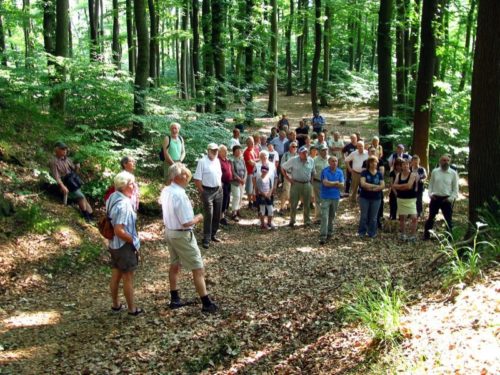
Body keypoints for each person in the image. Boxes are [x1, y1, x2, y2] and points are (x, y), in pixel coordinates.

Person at [160, 163, 218, 314]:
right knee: (198, 267)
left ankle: (175, 298)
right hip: (181, 234)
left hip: (170, 232)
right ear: (179, 177)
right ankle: (206, 303)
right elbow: (186, 221)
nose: (187, 178)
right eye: (186, 175)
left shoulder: (166, 190)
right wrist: (199, 217)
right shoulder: (179, 194)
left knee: (174, 265)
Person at [107, 171, 143, 316]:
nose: (134, 186)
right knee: (127, 276)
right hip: (123, 245)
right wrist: (134, 241)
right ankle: (131, 309)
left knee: (116, 273)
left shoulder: (112, 197)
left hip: (113, 244)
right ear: (124, 186)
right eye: (131, 183)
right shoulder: (124, 205)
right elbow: (119, 230)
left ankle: (116, 304)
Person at [49, 141, 94, 222]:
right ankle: (86, 216)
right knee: (80, 196)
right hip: (66, 182)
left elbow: (74, 171)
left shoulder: (67, 160)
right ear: (56, 150)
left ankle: (91, 217)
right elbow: (57, 177)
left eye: (65, 149)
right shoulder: (54, 162)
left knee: (83, 197)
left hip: (73, 180)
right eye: (62, 149)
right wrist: (62, 186)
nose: (65, 151)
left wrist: (77, 167)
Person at [193, 143, 223, 249]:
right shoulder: (202, 161)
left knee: (217, 213)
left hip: (218, 190)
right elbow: (197, 179)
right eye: (213, 150)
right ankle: (206, 238)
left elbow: (219, 175)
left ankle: (213, 234)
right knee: (208, 214)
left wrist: (220, 187)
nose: (215, 152)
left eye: (216, 150)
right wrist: (202, 191)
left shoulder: (218, 161)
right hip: (207, 191)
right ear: (208, 150)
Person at [424, 154, 459, 240]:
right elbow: (431, 185)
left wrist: (450, 198)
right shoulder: (435, 171)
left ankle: (449, 238)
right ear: (440, 161)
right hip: (435, 198)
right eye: (444, 160)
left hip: (446, 199)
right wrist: (430, 195)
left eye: (447, 161)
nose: (446, 162)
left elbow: (455, 189)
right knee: (431, 218)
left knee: (448, 220)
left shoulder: (453, 173)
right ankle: (426, 236)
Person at [281, 146, 315, 227]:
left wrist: (311, 181)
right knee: (293, 203)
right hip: (296, 184)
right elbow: (283, 167)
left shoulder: (311, 160)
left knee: (307, 203)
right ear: (299, 153)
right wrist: (288, 179)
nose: (305, 154)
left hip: (307, 184)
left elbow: (313, 172)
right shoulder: (294, 160)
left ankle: (307, 221)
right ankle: (292, 220)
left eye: (306, 152)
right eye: (303, 152)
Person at [319, 156, 344, 244]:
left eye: (336, 161)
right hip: (325, 196)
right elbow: (325, 183)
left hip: (335, 197)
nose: (334, 163)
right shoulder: (325, 171)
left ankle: (330, 232)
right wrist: (336, 183)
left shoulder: (340, 172)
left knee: (332, 216)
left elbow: (342, 185)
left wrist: (332, 183)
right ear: (329, 162)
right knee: (324, 216)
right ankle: (323, 236)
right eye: (332, 161)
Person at [358, 156, 385, 238]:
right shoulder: (364, 173)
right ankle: (362, 232)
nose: (374, 164)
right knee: (364, 216)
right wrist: (375, 186)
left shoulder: (379, 174)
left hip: (376, 198)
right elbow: (363, 184)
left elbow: (383, 185)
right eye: (372, 162)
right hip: (364, 197)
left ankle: (372, 233)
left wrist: (371, 187)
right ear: (369, 163)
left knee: (374, 217)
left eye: (375, 162)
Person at [392, 159, 418, 242]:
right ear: (401, 166)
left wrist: (399, 186)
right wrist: (403, 186)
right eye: (403, 165)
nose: (405, 166)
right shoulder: (398, 175)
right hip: (401, 199)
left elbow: (409, 186)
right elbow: (393, 185)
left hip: (411, 199)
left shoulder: (413, 175)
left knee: (414, 217)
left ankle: (413, 235)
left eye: (407, 164)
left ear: (409, 165)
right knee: (402, 217)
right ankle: (403, 234)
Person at [279, 141, 298, 213]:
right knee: (286, 191)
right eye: (293, 146)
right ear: (290, 147)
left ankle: (290, 206)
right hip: (288, 174)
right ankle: (282, 207)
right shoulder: (286, 155)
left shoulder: (298, 155)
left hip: (295, 176)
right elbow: (282, 166)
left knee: (293, 192)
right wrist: (284, 176)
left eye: (296, 147)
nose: (295, 148)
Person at [255, 165, 275, 230]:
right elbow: (260, 190)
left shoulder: (269, 179)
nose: (264, 172)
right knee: (262, 210)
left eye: (265, 171)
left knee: (270, 210)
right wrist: (265, 196)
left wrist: (269, 194)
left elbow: (271, 187)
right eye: (263, 171)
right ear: (261, 171)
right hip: (262, 197)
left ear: (267, 171)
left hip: (268, 196)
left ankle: (269, 223)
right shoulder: (259, 180)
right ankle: (263, 224)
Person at [312, 145, 329, 223]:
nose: (325, 151)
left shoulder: (330, 159)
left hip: (328, 183)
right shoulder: (314, 160)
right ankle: (318, 217)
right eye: (323, 150)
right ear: (319, 151)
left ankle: (326, 216)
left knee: (326, 199)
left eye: (326, 150)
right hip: (317, 182)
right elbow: (311, 172)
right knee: (318, 200)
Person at [230, 145, 247, 222]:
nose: (238, 152)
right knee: (236, 196)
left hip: (242, 182)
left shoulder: (242, 160)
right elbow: (233, 172)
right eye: (236, 151)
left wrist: (244, 179)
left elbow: (245, 170)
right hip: (235, 182)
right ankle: (233, 213)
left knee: (240, 197)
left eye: (239, 151)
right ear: (233, 152)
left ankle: (238, 210)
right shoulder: (232, 161)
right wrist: (240, 179)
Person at [218, 145, 233, 226]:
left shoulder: (227, 160)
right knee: (223, 199)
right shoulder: (218, 161)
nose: (226, 152)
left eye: (226, 150)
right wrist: (220, 181)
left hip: (228, 182)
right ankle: (221, 217)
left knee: (227, 199)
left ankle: (224, 215)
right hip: (223, 183)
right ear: (220, 152)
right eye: (224, 151)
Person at [243, 137, 259, 209]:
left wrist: (256, 160)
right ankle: (250, 203)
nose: (252, 143)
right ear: (247, 144)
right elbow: (251, 163)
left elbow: (255, 160)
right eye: (250, 142)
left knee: (254, 188)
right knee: (249, 189)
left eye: (252, 142)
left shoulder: (254, 150)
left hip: (255, 172)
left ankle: (254, 201)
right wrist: (258, 161)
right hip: (249, 172)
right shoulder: (246, 152)